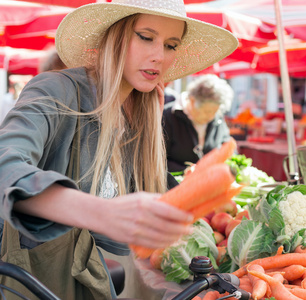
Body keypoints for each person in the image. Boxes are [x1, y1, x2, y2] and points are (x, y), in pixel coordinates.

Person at [0, 0, 238, 298]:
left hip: (99, 278)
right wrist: (100, 212)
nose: (159, 56)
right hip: (34, 282)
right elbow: (5, 166)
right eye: (146, 36)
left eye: (171, 45)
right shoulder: (53, 90)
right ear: (115, 35)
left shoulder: (141, 111)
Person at [163, 74, 234, 172]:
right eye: (207, 112)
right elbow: (157, 159)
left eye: (215, 112)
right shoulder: (167, 116)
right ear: (192, 101)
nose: (211, 116)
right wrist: (185, 170)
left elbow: (228, 146)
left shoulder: (217, 118)